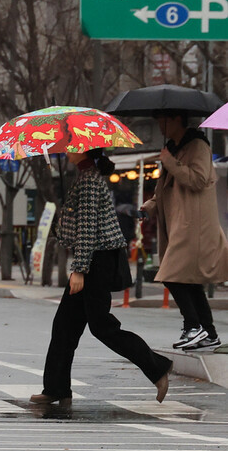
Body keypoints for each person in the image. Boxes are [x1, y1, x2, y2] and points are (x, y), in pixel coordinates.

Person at [32, 148, 173, 405]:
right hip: (96, 258)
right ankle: (56, 388)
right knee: (64, 326)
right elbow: (77, 230)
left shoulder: (88, 180)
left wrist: (79, 270)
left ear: (85, 150)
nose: (67, 151)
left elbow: (87, 232)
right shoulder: (85, 177)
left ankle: (157, 367)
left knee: (102, 327)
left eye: (72, 146)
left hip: (97, 260)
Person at [141, 110, 228, 351]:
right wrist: (149, 207)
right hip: (179, 223)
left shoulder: (197, 145)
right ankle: (209, 333)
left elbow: (198, 180)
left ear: (177, 119)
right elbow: (164, 189)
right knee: (188, 281)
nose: (160, 124)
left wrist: (170, 161)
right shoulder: (173, 147)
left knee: (170, 274)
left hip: (195, 225)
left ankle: (193, 326)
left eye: (163, 119)